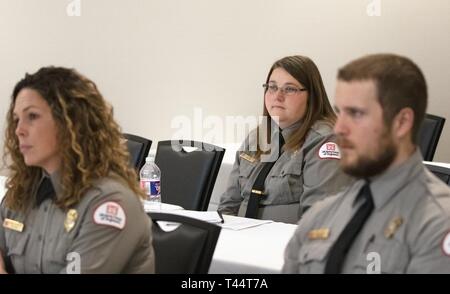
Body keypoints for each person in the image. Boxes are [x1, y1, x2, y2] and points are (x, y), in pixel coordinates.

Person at [283, 53, 450, 274]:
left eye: (355, 113)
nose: (339, 128)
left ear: (401, 122)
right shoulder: (321, 215)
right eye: (340, 112)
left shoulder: (437, 224)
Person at [0, 67, 154, 274]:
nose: (19, 130)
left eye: (32, 116)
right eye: (17, 119)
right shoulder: (22, 192)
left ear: (69, 122)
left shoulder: (110, 204)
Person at [218, 55, 352, 224]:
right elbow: (229, 204)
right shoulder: (256, 137)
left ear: (312, 96)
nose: (278, 96)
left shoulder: (326, 141)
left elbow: (319, 219)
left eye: (289, 89)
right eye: (272, 87)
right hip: (239, 240)